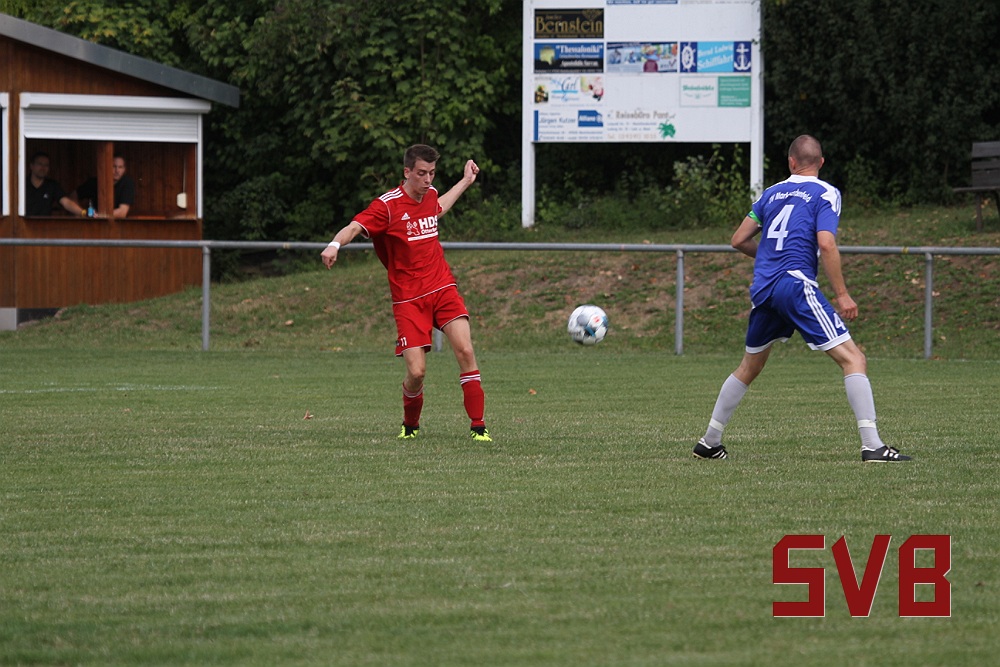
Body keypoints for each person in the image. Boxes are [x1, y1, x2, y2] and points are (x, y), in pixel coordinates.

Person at [693, 134, 911, 463]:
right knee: (854, 359)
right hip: (795, 285)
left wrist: (769, 258)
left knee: (749, 367)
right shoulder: (825, 192)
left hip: (764, 289)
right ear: (821, 162)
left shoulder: (770, 193)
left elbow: (738, 239)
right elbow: (826, 243)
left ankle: (709, 442)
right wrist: (842, 295)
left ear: (791, 162)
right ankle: (873, 446)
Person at [321, 144, 491, 442]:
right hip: (409, 299)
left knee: (465, 351)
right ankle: (410, 424)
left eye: (432, 173)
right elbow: (355, 226)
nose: (428, 180)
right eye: (422, 173)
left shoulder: (430, 194)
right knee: (417, 372)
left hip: (442, 287)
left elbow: (439, 206)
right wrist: (335, 245)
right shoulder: (387, 206)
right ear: (407, 172)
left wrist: (466, 181)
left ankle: (479, 427)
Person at [25, 152, 87, 217]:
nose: (43, 168)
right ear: (31, 166)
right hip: (23, 223)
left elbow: (66, 202)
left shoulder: (52, 185)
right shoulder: (22, 184)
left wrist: (83, 213)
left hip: (44, 223)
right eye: (40, 164)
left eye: (46, 165)